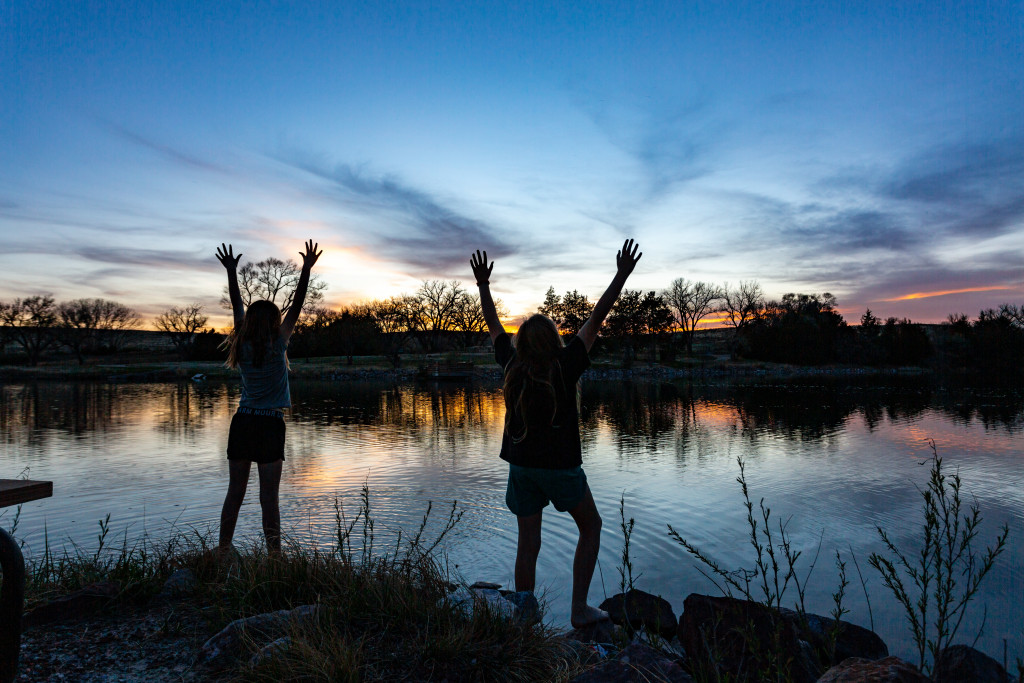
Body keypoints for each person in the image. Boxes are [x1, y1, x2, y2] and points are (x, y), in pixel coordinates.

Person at [470, 239, 642, 628]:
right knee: (592, 526)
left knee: (528, 543)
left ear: (522, 343)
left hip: (522, 468)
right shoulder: (565, 365)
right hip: (561, 470)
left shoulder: (512, 364)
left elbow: (493, 325)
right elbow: (596, 318)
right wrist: (621, 275)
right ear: (553, 341)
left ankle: (524, 616)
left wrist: (483, 285)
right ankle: (579, 611)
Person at [215, 239, 321, 554]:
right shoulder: (278, 344)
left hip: (243, 421)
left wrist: (232, 273)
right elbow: (299, 303)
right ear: (275, 321)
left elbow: (236, 304)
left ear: (249, 322)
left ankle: (223, 549)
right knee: (268, 498)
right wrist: (306, 270)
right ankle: (274, 556)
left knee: (235, 492)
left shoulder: (242, 343)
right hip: (270, 424)